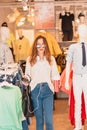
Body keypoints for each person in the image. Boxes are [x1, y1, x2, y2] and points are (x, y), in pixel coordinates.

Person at [25, 35, 60, 130]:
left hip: (48, 90)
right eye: (38, 45)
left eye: (43, 44)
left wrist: (56, 84)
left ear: (46, 46)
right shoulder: (30, 59)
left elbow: (55, 74)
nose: (41, 47)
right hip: (35, 91)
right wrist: (26, 80)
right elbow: (28, 75)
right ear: (35, 46)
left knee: (49, 120)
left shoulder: (51, 59)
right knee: (39, 120)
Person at [65, 24, 87, 130]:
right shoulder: (73, 47)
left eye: (85, 30)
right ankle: (78, 126)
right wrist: (66, 81)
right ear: (77, 32)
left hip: (86, 77)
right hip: (77, 77)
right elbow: (68, 63)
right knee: (78, 103)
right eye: (81, 30)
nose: (83, 31)